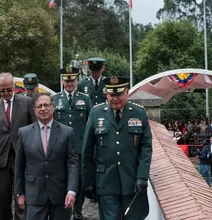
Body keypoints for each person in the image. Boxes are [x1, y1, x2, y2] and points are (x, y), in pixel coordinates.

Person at [82, 76, 152, 220]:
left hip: (132, 180)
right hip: (106, 181)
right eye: (111, 95)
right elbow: (87, 151)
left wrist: (142, 177)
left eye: (118, 94)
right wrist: (88, 182)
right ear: (106, 94)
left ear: (127, 92)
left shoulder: (139, 113)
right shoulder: (96, 113)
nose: (114, 99)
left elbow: (146, 148)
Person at [14, 92, 78, 220]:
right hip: (34, 194)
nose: (43, 109)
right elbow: (19, 166)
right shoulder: (24, 133)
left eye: (46, 105)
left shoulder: (67, 132)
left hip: (60, 194)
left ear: (53, 107)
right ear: (34, 109)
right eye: (39, 106)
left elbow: (73, 164)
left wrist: (71, 190)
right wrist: (19, 193)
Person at [0, 72, 36, 220]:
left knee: (21, 198)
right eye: (2, 91)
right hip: (1, 160)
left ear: (14, 87)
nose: (6, 93)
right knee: (2, 197)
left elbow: (33, 129)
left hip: (22, 158)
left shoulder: (26, 103)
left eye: (8, 89)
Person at [52, 67, 92, 220]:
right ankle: (64, 207)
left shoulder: (85, 99)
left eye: (72, 80)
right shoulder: (55, 99)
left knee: (80, 180)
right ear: (62, 81)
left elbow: (91, 122)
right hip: (61, 146)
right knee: (62, 177)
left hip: (80, 146)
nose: (69, 84)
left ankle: (78, 209)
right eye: (67, 80)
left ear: (76, 81)